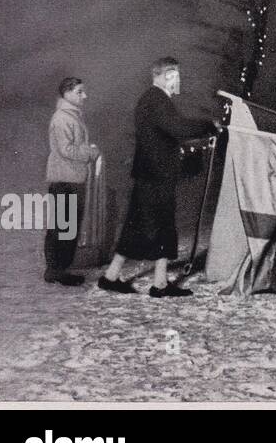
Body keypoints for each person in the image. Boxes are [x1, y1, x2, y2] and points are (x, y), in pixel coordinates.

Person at [99, 57, 217, 298]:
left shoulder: (151, 99)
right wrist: (208, 125)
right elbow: (177, 128)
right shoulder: (157, 100)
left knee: (136, 225)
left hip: (149, 174)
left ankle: (111, 277)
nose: (179, 80)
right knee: (162, 224)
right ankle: (159, 284)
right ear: (165, 75)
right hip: (157, 175)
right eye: (176, 76)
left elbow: (168, 133)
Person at [44, 77, 99, 286]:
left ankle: (59, 269)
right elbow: (66, 150)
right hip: (65, 179)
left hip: (71, 177)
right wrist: (90, 152)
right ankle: (56, 269)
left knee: (67, 225)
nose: (84, 95)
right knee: (63, 225)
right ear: (67, 93)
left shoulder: (71, 116)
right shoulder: (62, 118)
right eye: (79, 91)